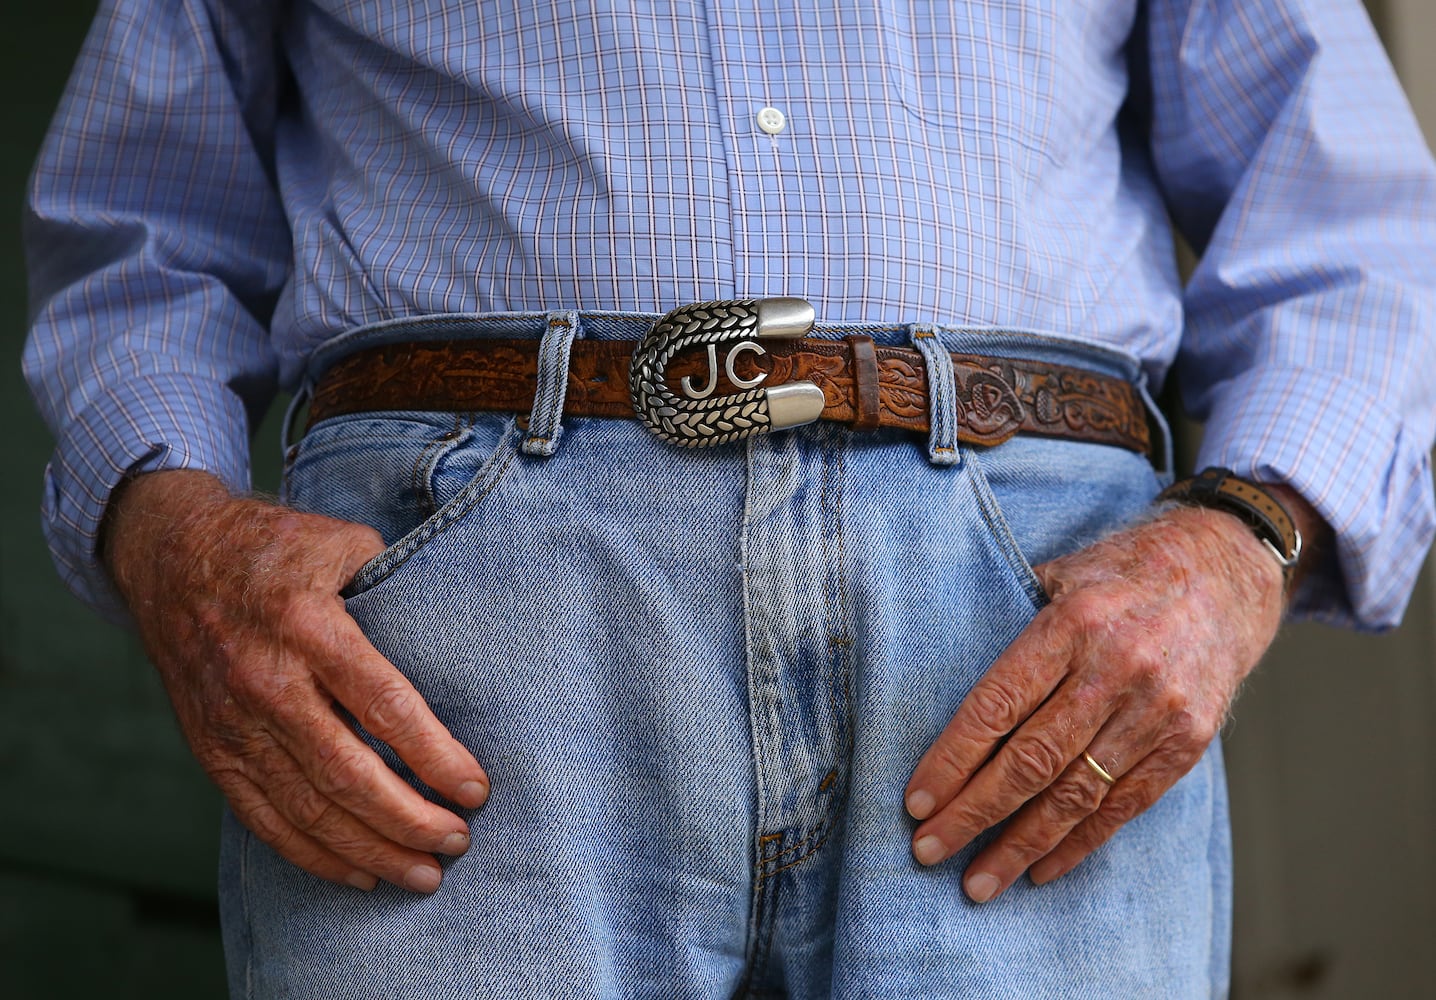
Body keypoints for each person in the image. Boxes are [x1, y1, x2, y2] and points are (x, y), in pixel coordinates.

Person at [21, 0, 1436, 996]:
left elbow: (1356, 229)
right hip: (458, 629)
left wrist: (1239, 546)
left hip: (1034, 612)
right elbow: (136, 240)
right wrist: (168, 529)